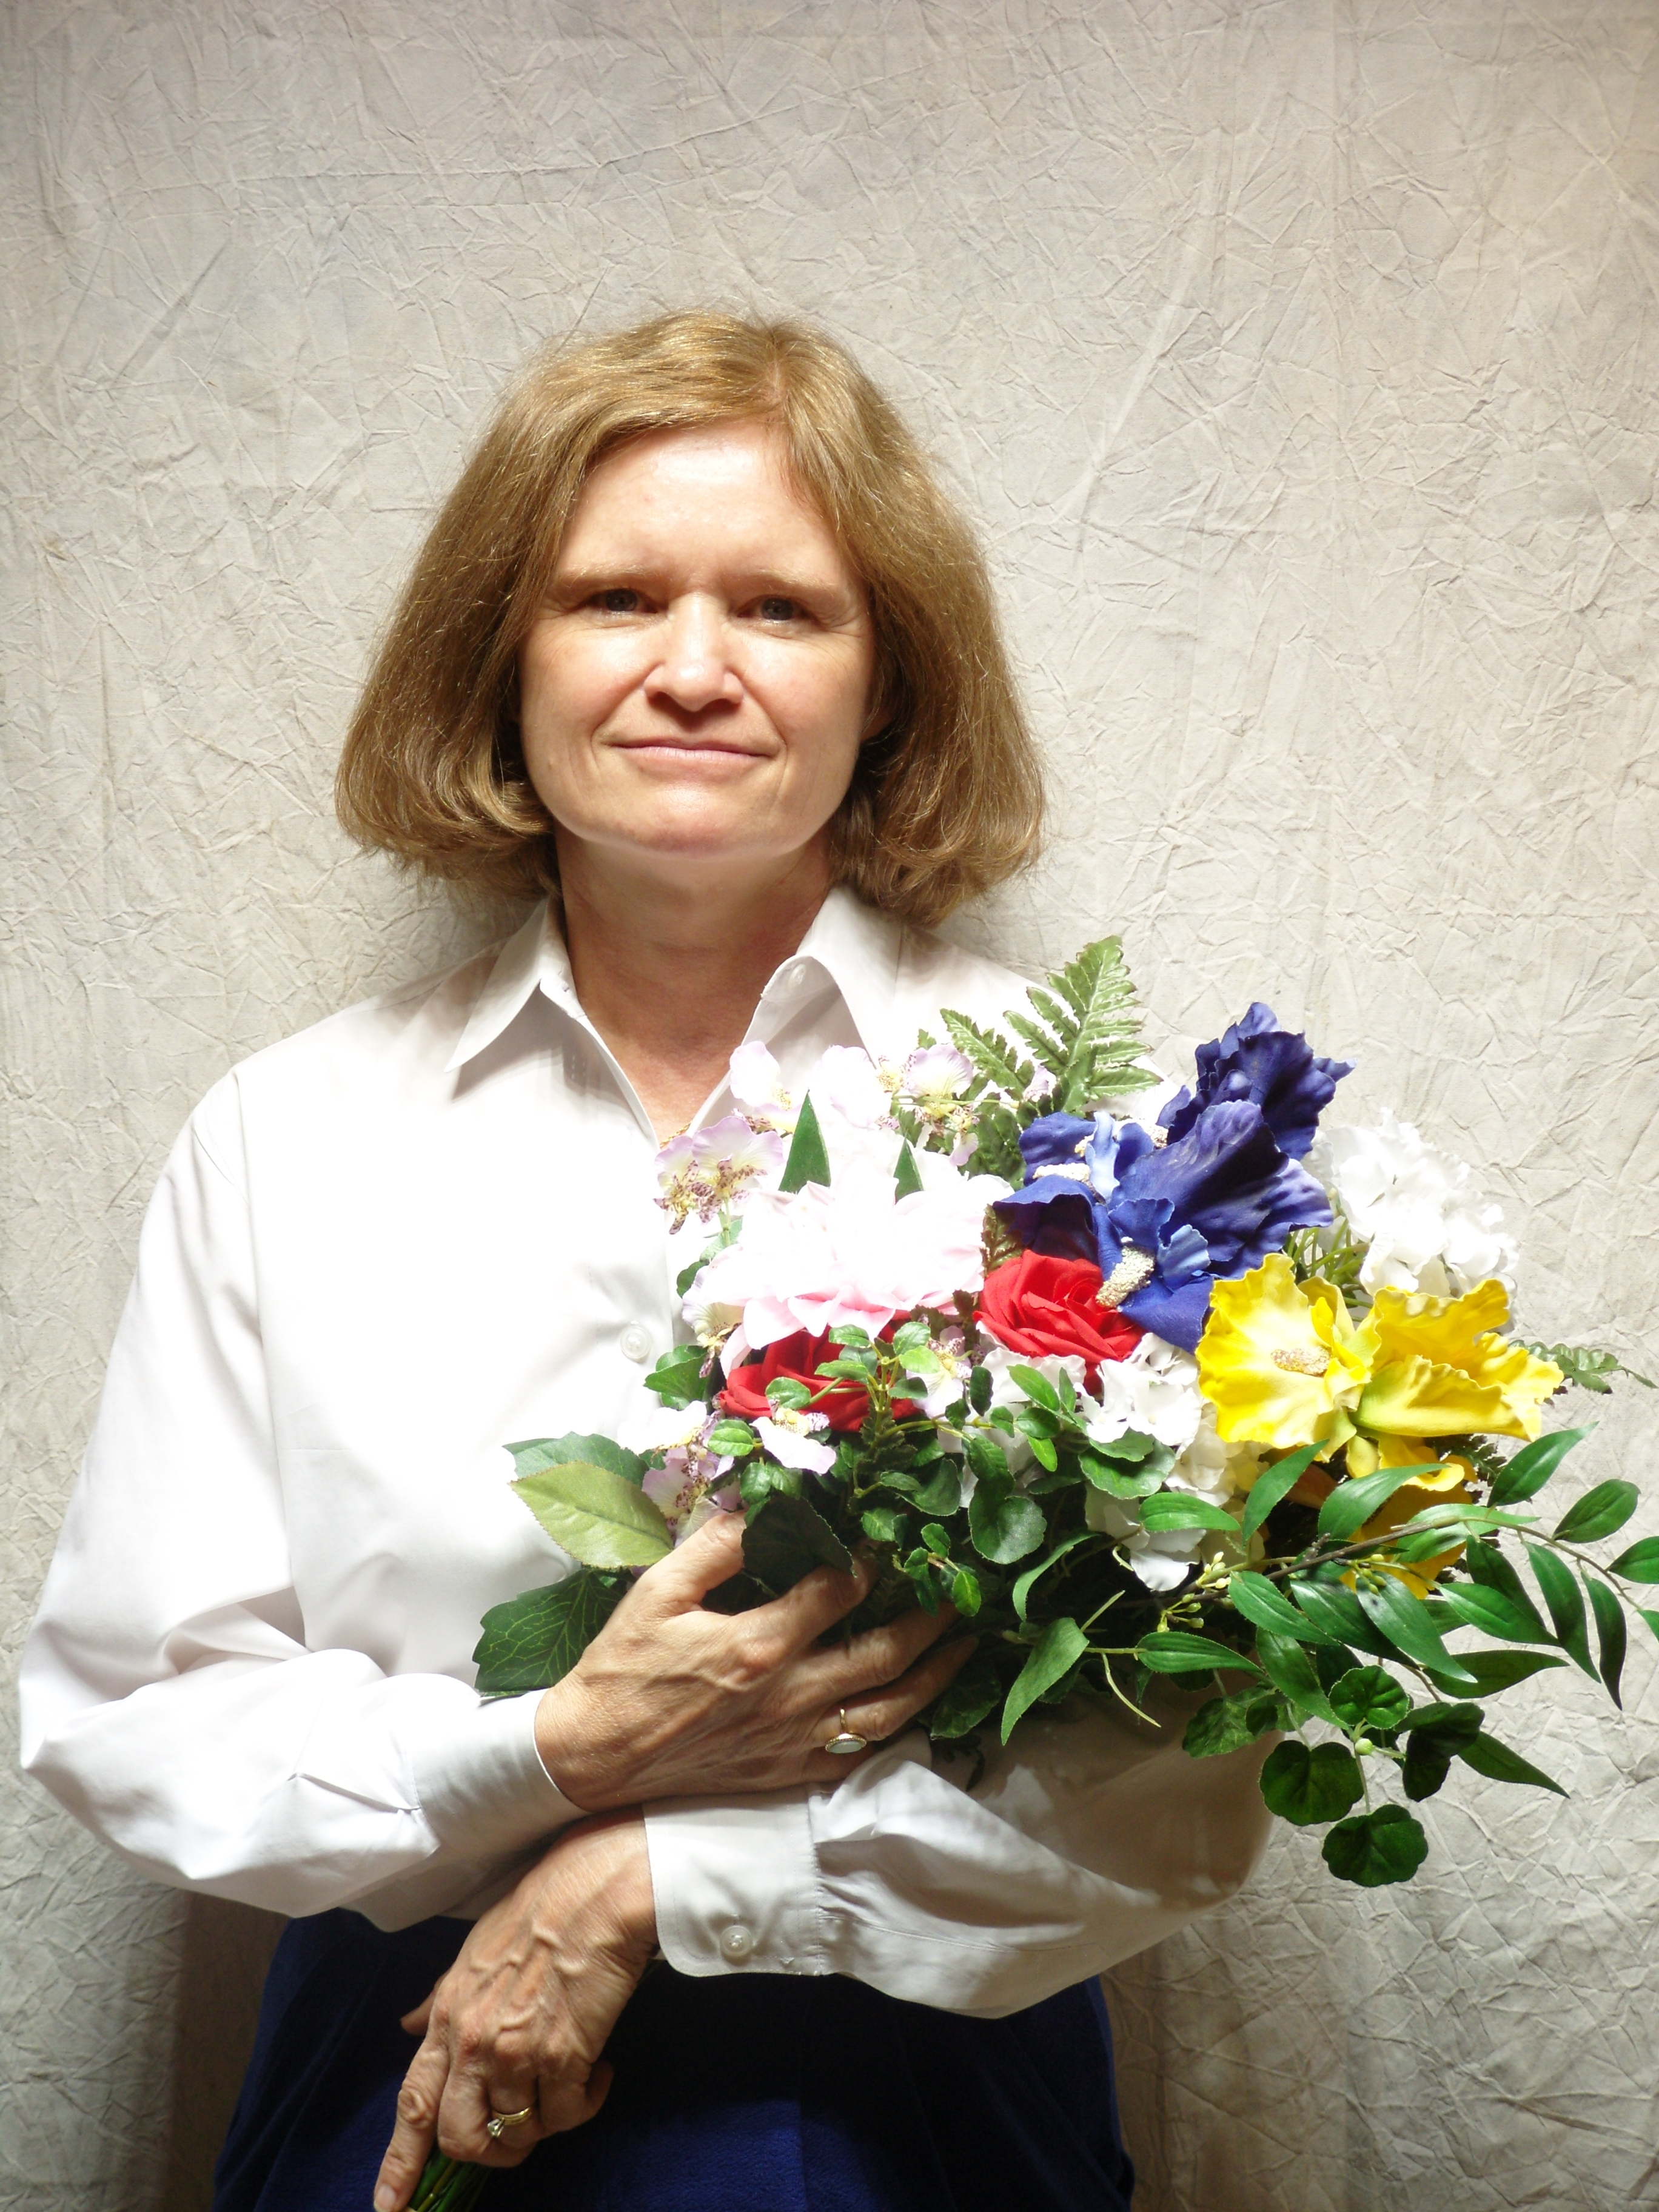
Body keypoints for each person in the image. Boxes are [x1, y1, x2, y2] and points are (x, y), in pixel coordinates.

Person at [19, 311, 1274, 2212]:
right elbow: (136, 1710)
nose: (693, 669)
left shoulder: (1091, 1144)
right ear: (501, 656)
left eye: (781, 608)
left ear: (888, 683)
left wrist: (648, 1881)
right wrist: (545, 1753)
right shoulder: (290, 1134)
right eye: (613, 598)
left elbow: (1178, 1780)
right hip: (409, 2068)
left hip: (926, 2109)